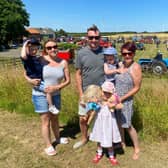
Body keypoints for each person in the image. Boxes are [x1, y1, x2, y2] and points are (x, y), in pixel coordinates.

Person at [22, 39, 70, 156]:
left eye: (54, 46)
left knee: (55, 118)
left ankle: (58, 139)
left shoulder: (63, 62)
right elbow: (26, 72)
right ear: (45, 50)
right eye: (49, 48)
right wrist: (30, 80)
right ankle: (49, 146)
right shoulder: (40, 60)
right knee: (45, 121)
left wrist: (57, 87)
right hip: (40, 95)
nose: (53, 49)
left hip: (56, 95)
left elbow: (68, 81)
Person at [73, 25, 105, 149]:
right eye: (91, 37)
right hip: (86, 92)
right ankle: (84, 138)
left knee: (101, 118)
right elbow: (78, 74)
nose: (93, 40)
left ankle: (102, 141)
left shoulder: (105, 52)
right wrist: (81, 93)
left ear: (100, 38)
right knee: (83, 118)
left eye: (96, 37)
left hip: (101, 93)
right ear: (87, 38)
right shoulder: (81, 53)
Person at [115, 41, 142, 160]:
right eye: (124, 53)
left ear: (134, 53)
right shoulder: (120, 64)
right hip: (116, 99)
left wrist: (122, 98)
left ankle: (137, 148)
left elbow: (137, 87)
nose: (127, 56)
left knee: (128, 125)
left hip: (126, 100)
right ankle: (122, 142)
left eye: (129, 54)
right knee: (119, 123)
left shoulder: (135, 67)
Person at [21, 39, 59, 115]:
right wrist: (25, 44)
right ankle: (51, 106)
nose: (34, 51)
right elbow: (23, 55)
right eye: (32, 50)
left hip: (41, 80)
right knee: (48, 90)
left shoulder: (36, 58)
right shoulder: (27, 59)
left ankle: (45, 103)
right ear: (27, 50)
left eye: (36, 49)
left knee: (47, 89)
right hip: (37, 80)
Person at [89, 81, 122, 165]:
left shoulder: (111, 102)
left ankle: (111, 155)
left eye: (108, 93)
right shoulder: (99, 101)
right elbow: (90, 105)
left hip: (109, 123)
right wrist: (93, 102)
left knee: (109, 138)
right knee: (99, 139)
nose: (106, 95)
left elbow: (120, 105)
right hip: (99, 123)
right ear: (101, 91)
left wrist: (113, 105)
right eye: (104, 92)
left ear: (112, 93)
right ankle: (99, 153)